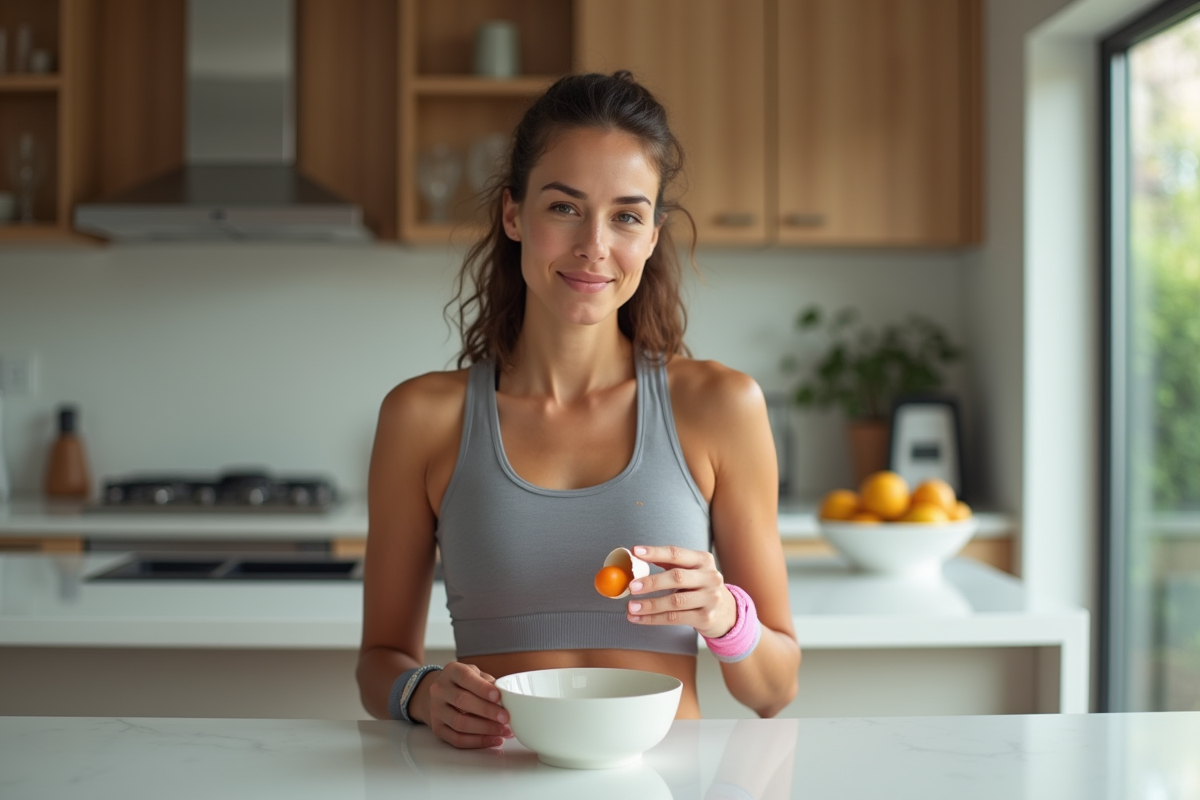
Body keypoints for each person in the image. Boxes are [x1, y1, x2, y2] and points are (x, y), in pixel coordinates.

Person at [357, 71, 800, 749]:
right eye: (564, 208)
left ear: (652, 237)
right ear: (513, 215)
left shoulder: (721, 408)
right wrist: (419, 693)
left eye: (626, 215)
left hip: (662, 786)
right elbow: (379, 661)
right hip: (489, 785)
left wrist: (724, 615)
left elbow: (774, 691)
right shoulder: (420, 417)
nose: (595, 244)